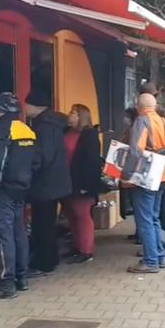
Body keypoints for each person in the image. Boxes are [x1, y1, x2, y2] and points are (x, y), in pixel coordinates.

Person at [0, 92, 39, 299]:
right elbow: (36, 162)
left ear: (0, 110)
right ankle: (21, 278)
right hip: (21, 190)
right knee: (18, 233)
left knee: (2, 236)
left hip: (2, 191)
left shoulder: (1, 131)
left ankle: (5, 284)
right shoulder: (27, 130)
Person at [126, 93, 165, 274]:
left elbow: (135, 151)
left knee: (145, 219)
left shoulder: (142, 121)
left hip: (148, 177)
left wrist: (128, 175)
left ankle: (150, 261)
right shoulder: (164, 121)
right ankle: (159, 256)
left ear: (138, 107)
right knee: (154, 217)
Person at [24, 86, 71, 276]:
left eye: (26, 104)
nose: (24, 108)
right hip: (55, 181)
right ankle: (50, 259)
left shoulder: (43, 126)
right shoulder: (53, 123)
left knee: (42, 224)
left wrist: (30, 170)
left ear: (35, 106)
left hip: (45, 182)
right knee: (46, 222)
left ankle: (44, 264)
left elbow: (43, 155)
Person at [139, 82, 165, 253]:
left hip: (161, 172)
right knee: (154, 214)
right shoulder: (155, 117)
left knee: (160, 212)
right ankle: (156, 249)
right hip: (162, 170)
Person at [62, 102, 102, 263]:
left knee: (82, 215)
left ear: (81, 117)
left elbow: (92, 162)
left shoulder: (89, 135)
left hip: (82, 182)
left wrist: (88, 185)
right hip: (66, 180)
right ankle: (77, 246)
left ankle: (86, 250)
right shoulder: (66, 132)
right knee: (71, 214)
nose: (69, 115)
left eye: (73, 113)